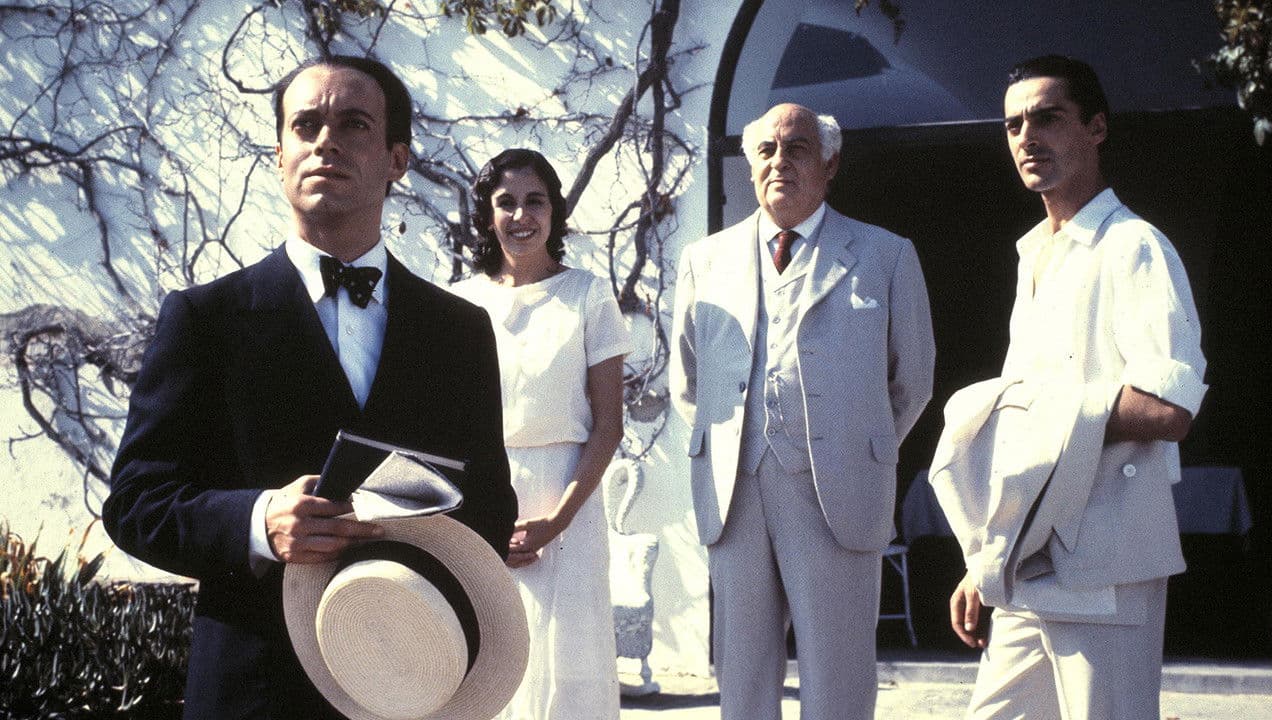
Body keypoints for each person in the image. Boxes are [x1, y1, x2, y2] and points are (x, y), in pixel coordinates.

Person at [101, 56, 516, 720]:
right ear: (279, 155)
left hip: (406, 682)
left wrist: (409, 559)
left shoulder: (460, 331)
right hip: (252, 687)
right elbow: (135, 503)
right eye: (305, 125)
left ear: (397, 159)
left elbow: (491, 505)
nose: (326, 142)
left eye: (354, 124)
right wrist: (258, 521)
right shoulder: (205, 319)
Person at [946, 55, 1207, 719]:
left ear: (1096, 128)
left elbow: (1169, 408)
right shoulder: (1034, 254)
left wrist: (1041, 415)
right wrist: (986, 558)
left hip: (1107, 563)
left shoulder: (1135, 246)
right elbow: (1022, 428)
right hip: (1026, 563)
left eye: (1047, 118)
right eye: (1013, 125)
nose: (1026, 137)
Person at [670, 103, 935, 720]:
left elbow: (913, 381)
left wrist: (856, 445)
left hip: (839, 492)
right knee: (741, 676)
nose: (779, 162)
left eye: (797, 148)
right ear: (749, 166)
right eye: (766, 150)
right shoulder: (704, 259)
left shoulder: (886, 254)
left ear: (829, 163)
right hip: (735, 493)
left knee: (838, 675)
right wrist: (733, 446)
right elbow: (688, 380)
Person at [452, 148, 630, 720]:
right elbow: (449, 427)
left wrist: (557, 519)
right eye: (506, 202)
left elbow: (608, 425)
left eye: (536, 201)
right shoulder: (461, 303)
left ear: (554, 212)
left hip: (567, 504)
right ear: (487, 215)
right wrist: (479, 517)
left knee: (567, 671)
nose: (521, 216)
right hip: (483, 503)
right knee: (490, 664)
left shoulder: (588, 295)